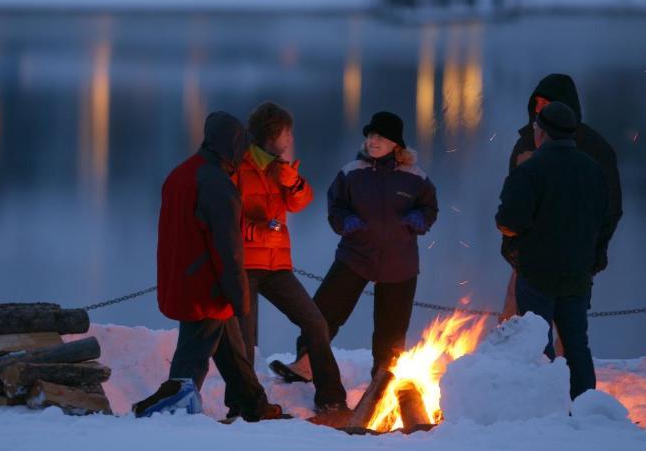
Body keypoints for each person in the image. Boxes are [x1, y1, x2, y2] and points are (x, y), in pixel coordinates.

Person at [132, 112, 287, 422]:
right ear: (232, 144)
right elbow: (228, 249)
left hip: (182, 275)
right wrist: (240, 296)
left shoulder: (182, 173)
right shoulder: (218, 185)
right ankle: (168, 410)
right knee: (194, 354)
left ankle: (254, 405)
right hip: (206, 283)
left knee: (231, 348)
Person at [276, 111, 438, 381]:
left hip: (400, 263)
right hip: (355, 256)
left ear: (396, 144)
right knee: (324, 311)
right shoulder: (352, 173)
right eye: (371, 135)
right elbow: (335, 206)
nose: (373, 141)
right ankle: (306, 363)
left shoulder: (415, 177)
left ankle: (383, 378)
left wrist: (419, 219)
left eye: (381, 137)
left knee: (391, 329)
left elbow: (430, 207)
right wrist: (345, 221)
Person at [225, 102, 347, 415]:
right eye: (287, 133)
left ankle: (331, 398)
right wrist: (257, 231)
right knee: (246, 340)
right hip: (245, 266)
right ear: (271, 135)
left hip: (277, 266)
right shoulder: (238, 166)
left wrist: (293, 182)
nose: (291, 139)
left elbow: (299, 203)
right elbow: (224, 219)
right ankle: (242, 405)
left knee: (315, 322)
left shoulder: (281, 167)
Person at [495, 101, 614, 400]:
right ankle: (585, 405)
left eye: (536, 128)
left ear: (543, 133)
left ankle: (546, 408)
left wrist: (513, 241)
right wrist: (593, 257)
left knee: (538, 342)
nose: (534, 133)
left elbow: (509, 221)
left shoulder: (531, 170)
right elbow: (604, 220)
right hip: (577, 273)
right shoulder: (593, 171)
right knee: (576, 344)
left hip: (537, 272)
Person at [499, 74, 623, 322]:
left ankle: (563, 361)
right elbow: (513, 201)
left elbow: (610, 209)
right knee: (514, 321)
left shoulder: (594, 148)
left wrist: (593, 252)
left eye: (546, 104)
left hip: (575, 258)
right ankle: (516, 361)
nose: (539, 110)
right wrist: (513, 248)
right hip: (529, 258)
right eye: (537, 103)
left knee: (567, 330)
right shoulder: (525, 144)